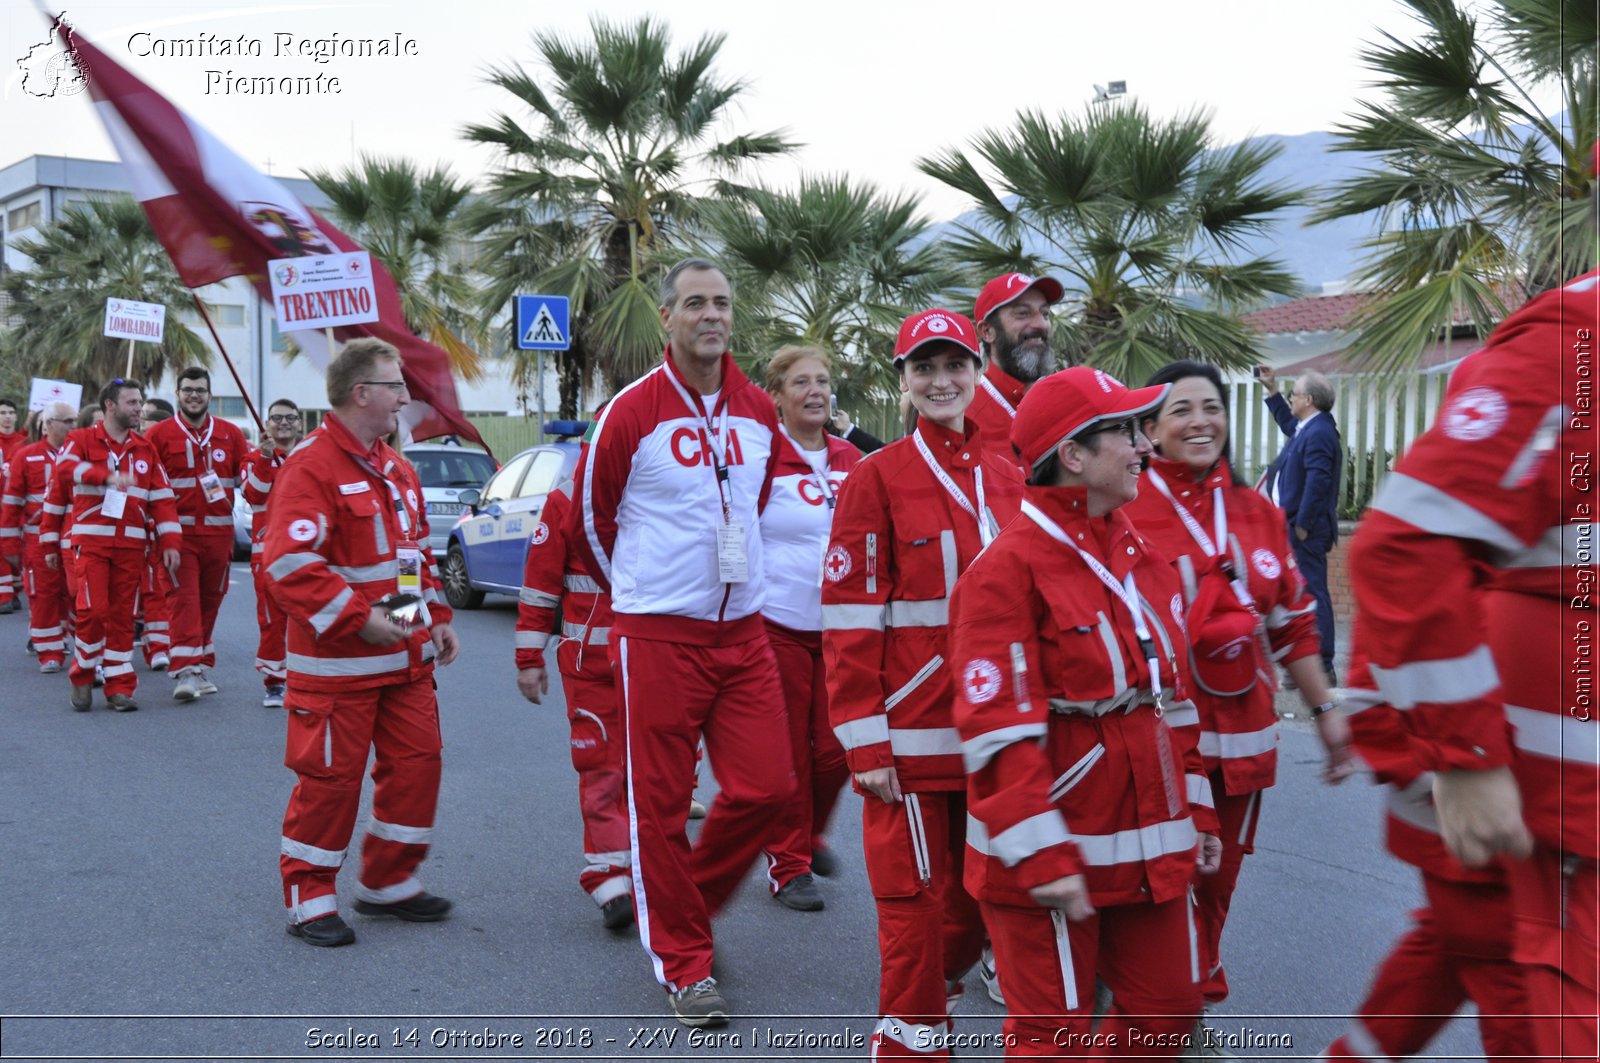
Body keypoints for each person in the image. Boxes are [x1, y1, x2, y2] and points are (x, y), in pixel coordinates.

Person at [1339, 268, 1597, 1060]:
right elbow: (1400, 567)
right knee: (1509, 997)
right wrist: (1462, 762)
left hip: (1523, 809)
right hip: (1529, 817)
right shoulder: (1568, 347)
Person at [947, 366, 1221, 1058]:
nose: (1143, 446)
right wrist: (1041, 852)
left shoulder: (1135, 550)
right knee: (1052, 1041)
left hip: (1151, 841)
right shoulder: (1004, 569)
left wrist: (1199, 811)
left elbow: (1173, 702)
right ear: (1072, 455)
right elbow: (996, 730)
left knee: (1168, 1012)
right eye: (1127, 431)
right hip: (1050, 855)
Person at [573, 258, 793, 1027]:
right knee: (660, 806)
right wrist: (641, 596)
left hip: (743, 631)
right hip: (658, 634)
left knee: (769, 786)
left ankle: (686, 902)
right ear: (666, 316)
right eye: (695, 302)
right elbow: (593, 523)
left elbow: (755, 505)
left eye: (723, 302)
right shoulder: (631, 412)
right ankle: (685, 965)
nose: (711, 315)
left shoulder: (759, 411)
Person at [1122, 360, 1354, 1028]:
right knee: (1165, 879)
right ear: (1151, 428)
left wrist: (1327, 710)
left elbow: (1292, 620)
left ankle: (1185, 1003)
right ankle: (1163, 1010)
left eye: (1211, 407)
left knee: (1217, 884)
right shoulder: (1128, 507)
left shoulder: (1254, 509)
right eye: (1181, 410)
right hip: (1162, 739)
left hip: (1242, 740)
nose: (1200, 421)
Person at [822, 309, 1023, 1060]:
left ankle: (924, 996)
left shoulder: (1008, 475)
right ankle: (908, 1043)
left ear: (976, 370)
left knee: (978, 904)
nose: (941, 381)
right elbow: (846, 618)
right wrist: (864, 739)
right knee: (913, 903)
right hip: (906, 740)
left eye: (954, 365)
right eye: (923, 368)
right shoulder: (875, 478)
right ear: (901, 381)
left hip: (995, 734)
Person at [262, 339, 459, 948]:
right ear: (361, 393)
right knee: (331, 782)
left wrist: (436, 612)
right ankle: (309, 895)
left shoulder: (395, 467)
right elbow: (288, 562)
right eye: (394, 385)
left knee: (417, 766)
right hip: (336, 668)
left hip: (403, 659)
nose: (405, 395)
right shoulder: (311, 466)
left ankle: (388, 881)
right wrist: (357, 618)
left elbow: (412, 557)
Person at [760, 346, 861, 911]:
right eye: (802, 382)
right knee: (789, 754)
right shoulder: (761, 457)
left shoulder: (852, 459)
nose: (816, 391)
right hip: (775, 626)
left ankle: (808, 832)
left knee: (835, 752)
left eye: (823, 380)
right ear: (778, 395)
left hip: (842, 630)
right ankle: (789, 864)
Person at [514, 469, 634, 929]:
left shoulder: (665, 484)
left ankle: (645, 874)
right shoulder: (566, 498)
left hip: (658, 662)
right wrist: (529, 657)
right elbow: (541, 581)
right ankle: (608, 877)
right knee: (602, 768)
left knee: (654, 774)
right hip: (592, 666)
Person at [39, 379, 181, 712]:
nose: (139, 408)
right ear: (110, 406)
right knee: (92, 611)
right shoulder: (81, 440)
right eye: (132, 402)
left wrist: (170, 540)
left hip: (132, 548)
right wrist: (103, 477)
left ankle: (119, 686)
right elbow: (64, 472)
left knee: (122, 617)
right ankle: (83, 675)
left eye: (140, 402)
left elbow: (162, 499)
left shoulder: (145, 448)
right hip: (91, 545)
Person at [145, 367, 257, 700]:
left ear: (209, 395)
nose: (194, 395)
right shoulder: (159, 436)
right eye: (188, 390)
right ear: (177, 394)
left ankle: (200, 663)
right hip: (177, 537)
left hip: (220, 538)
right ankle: (186, 670)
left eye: (200, 390)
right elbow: (147, 485)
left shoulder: (230, 433)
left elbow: (249, 480)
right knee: (184, 602)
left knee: (211, 601)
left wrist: (267, 459)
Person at [1256, 366, 1341, 683]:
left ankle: (1323, 665)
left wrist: (1303, 524)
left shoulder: (1319, 432)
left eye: (1293, 394)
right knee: (1299, 593)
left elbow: (1319, 481)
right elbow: (1289, 424)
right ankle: (1308, 661)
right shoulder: (1309, 426)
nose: (1290, 399)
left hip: (1305, 530)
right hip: (1294, 525)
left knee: (1313, 592)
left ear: (1308, 399)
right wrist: (1273, 392)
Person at [1, 401, 77, 672]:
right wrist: (9, 545)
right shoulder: (26, 455)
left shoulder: (82, 454)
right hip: (36, 541)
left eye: (74, 420)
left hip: (73, 540)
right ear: (49, 424)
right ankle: (50, 651)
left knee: (75, 594)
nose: (73, 426)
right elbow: (11, 505)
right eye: (67, 421)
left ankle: (72, 639)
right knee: (43, 596)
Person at [966, 272, 1065, 468]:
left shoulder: (1068, 404)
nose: (1040, 324)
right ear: (987, 331)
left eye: (1045, 314)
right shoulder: (964, 416)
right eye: (1023, 313)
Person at [242, 398, 303, 708]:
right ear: (266, 424)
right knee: (271, 620)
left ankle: (306, 679)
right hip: (268, 553)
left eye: (290, 418)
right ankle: (274, 681)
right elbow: (254, 494)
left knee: (308, 619)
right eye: (276, 417)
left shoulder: (311, 457)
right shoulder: (252, 458)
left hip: (308, 554)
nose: (283, 423)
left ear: (300, 423)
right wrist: (266, 458)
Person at [135, 397, 175, 671]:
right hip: (136, 535)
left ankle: (161, 644)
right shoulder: (133, 455)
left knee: (161, 590)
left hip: (167, 534)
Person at [0, 397, 26, 615]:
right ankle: (5, 595)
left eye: (10, 412)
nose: (7, 417)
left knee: (16, 549)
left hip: (19, 506)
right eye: (2, 413)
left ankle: (15, 591)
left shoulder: (23, 443)